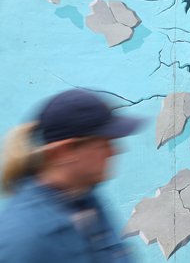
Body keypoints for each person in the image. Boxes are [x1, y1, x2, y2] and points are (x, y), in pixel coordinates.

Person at [0, 89, 143, 263]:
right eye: (104, 143)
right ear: (63, 152)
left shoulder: (84, 199)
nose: (114, 151)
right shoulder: (25, 238)